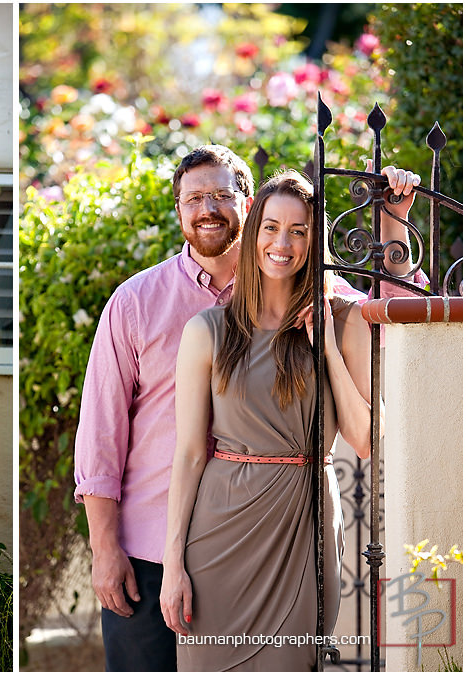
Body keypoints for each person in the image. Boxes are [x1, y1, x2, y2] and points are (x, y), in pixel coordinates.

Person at [73, 144, 423, 671]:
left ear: (248, 202)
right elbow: (100, 433)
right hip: (148, 546)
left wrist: (395, 216)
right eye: (194, 198)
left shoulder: (308, 289)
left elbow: (393, 306)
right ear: (177, 210)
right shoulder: (136, 301)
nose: (207, 208)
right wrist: (104, 547)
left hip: (287, 530)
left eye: (220, 194)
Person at [159, 169, 376, 670]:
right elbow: (190, 454)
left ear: (313, 241)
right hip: (217, 538)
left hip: (303, 531)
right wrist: (173, 564)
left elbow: (365, 440)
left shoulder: (344, 323)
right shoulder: (207, 330)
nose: (283, 243)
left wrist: (325, 347)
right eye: (271, 227)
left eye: (299, 231)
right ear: (253, 233)